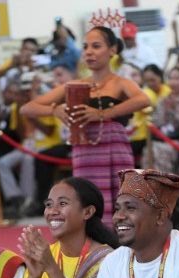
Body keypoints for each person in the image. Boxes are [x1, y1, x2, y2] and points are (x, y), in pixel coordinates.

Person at [21, 26, 150, 226]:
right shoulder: (75, 85)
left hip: (115, 147)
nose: (89, 52)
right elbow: (27, 108)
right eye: (85, 47)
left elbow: (143, 100)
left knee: (120, 199)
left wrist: (102, 114)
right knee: (87, 198)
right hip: (85, 151)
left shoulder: (119, 82)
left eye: (96, 46)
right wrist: (56, 111)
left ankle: (122, 248)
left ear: (113, 50)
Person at [0, 72, 64, 218]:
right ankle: (15, 197)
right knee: (2, 163)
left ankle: (29, 200)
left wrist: (32, 117)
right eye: (24, 91)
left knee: (29, 160)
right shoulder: (17, 107)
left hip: (46, 145)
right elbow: (21, 134)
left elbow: (49, 131)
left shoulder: (45, 103)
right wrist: (21, 112)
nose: (26, 93)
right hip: (26, 145)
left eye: (29, 90)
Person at [152, 67, 179, 173]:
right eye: (171, 78)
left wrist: (175, 110)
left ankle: (165, 184)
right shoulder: (163, 100)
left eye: (177, 79)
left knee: (164, 150)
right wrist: (166, 111)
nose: (173, 82)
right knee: (149, 149)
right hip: (163, 137)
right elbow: (157, 122)